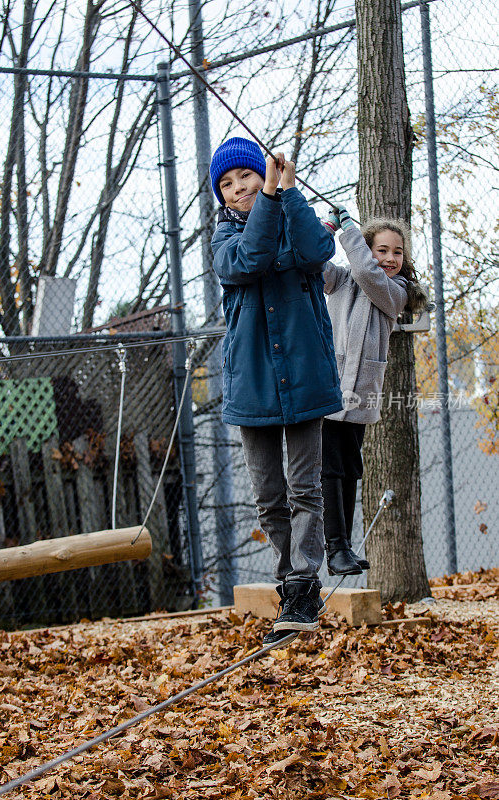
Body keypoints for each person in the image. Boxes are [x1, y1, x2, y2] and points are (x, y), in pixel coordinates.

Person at [209, 137, 342, 643]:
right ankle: (290, 578)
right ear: (221, 195)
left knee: (306, 488)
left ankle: (304, 587)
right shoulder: (224, 241)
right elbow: (252, 258)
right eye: (228, 183)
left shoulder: (291, 212)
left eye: (247, 175)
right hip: (254, 384)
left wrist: (287, 190)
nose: (240, 187)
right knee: (269, 496)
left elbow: (317, 250)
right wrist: (269, 196)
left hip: (305, 375)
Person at [320, 205, 428, 575]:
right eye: (381, 250)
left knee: (349, 468)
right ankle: (334, 547)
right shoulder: (346, 278)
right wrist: (328, 228)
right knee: (330, 466)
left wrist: (349, 232)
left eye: (397, 252)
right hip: (331, 387)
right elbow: (314, 265)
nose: (390, 258)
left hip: (362, 390)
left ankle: (343, 547)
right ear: (367, 249)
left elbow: (369, 275)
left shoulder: (395, 290)